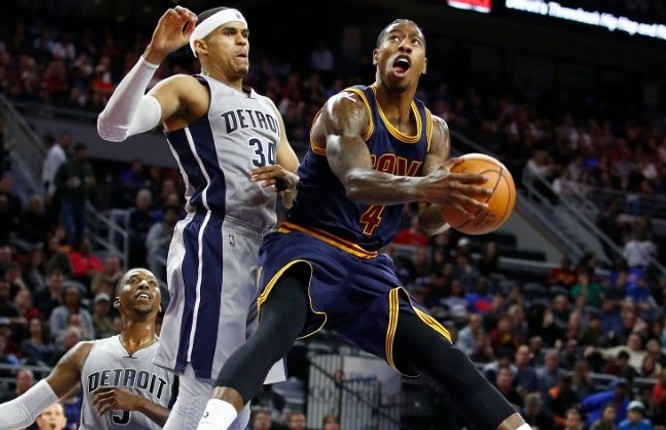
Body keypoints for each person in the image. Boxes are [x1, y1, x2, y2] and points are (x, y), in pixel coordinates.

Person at [198, 19, 531, 430]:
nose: (404, 45)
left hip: (368, 265)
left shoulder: (435, 131)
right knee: (276, 334)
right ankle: (209, 424)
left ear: (423, 63)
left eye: (415, 42)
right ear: (378, 57)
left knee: (445, 358)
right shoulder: (349, 107)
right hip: (308, 243)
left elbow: (429, 222)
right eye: (394, 39)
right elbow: (356, 182)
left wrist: (459, 207)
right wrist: (429, 185)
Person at [96, 6, 300, 430]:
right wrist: (154, 55)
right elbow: (112, 128)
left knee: (239, 387)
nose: (243, 40)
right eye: (230, 33)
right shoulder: (189, 88)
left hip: (265, 250)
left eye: (245, 33)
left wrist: (291, 182)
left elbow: (299, 188)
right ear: (202, 45)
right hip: (216, 239)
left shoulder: (266, 106)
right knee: (202, 386)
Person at [0, 268, 174, 430]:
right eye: (134, 281)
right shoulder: (85, 352)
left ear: (159, 303)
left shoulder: (175, 357)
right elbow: (23, 409)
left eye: (152, 284)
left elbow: (194, 423)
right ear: (117, 301)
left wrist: (140, 403)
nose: (144, 285)